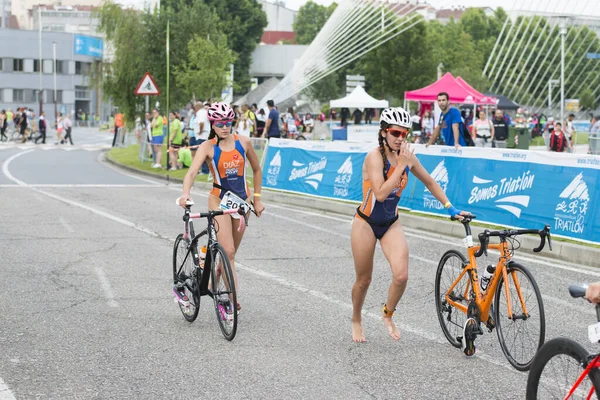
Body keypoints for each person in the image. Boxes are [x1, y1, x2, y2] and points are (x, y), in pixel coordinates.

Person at [351, 107, 470, 343]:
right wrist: (401, 165)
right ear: (384, 132)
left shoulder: (406, 156)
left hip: (390, 223)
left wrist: (450, 207)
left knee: (402, 276)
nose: (400, 138)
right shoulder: (374, 157)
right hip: (365, 223)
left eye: (405, 133)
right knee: (364, 280)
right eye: (396, 133)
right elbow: (382, 193)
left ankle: (388, 314)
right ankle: (356, 318)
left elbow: (429, 181)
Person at [178, 102, 265, 311]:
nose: (225, 127)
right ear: (212, 124)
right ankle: (231, 298)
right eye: (220, 123)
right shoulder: (207, 147)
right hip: (218, 201)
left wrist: (258, 198)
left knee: (229, 253)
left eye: (228, 122)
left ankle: (214, 279)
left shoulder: (243, 142)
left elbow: (256, 170)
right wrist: (185, 194)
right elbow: (191, 173)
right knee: (229, 251)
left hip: (242, 202)